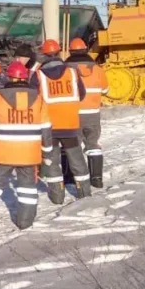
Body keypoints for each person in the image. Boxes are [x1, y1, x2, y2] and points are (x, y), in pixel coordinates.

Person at [0, 61, 54, 229]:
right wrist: (47, 156)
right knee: (27, 189)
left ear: (9, 77)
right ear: (25, 77)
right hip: (29, 154)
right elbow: (46, 131)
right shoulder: (38, 99)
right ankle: (25, 222)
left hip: (3, 153)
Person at [35, 39, 92, 202]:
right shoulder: (72, 73)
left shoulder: (38, 75)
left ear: (44, 55)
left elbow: (33, 100)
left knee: (52, 162)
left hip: (48, 128)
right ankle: (85, 194)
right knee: (77, 160)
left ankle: (57, 196)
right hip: (70, 124)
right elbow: (81, 94)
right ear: (59, 53)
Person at [66, 38, 108, 188]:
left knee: (73, 146)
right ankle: (96, 179)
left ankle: (72, 178)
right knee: (93, 144)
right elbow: (105, 90)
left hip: (73, 114)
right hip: (92, 115)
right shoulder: (97, 69)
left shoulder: (66, 70)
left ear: (70, 51)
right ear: (85, 50)